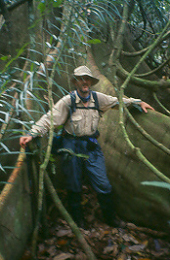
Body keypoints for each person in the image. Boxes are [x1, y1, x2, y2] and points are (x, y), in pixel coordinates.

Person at [20, 66, 154, 228]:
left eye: (87, 79)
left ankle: (111, 219)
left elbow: (117, 101)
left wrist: (138, 103)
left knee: (103, 183)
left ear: (90, 82)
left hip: (91, 146)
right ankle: (78, 222)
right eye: (81, 78)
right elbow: (50, 119)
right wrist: (33, 133)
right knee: (73, 183)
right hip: (71, 145)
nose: (85, 82)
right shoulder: (68, 101)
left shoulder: (98, 98)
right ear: (76, 82)